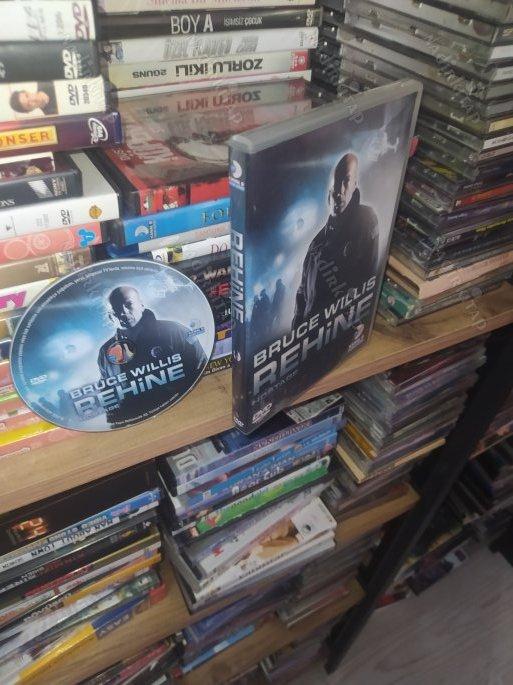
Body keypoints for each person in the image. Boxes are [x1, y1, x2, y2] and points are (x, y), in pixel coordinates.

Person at [292, 152, 379, 329]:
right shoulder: (316, 243)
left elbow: (368, 277)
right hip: (310, 335)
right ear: (328, 196)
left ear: (355, 184)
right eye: (335, 186)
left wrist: (357, 323)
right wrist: (296, 330)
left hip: (340, 331)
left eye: (346, 181)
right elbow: (302, 291)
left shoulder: (366, 219)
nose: (339, 192)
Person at [97, 285, 207, 425]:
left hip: (182, 415)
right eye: (116, 309)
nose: (123, 312)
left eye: (129, 304)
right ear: (110, 316)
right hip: (135, 425)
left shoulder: (174, 331)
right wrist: (117, 423)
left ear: (141, 305)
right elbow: (108, 393)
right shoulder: (105, 352)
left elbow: (200, 369)